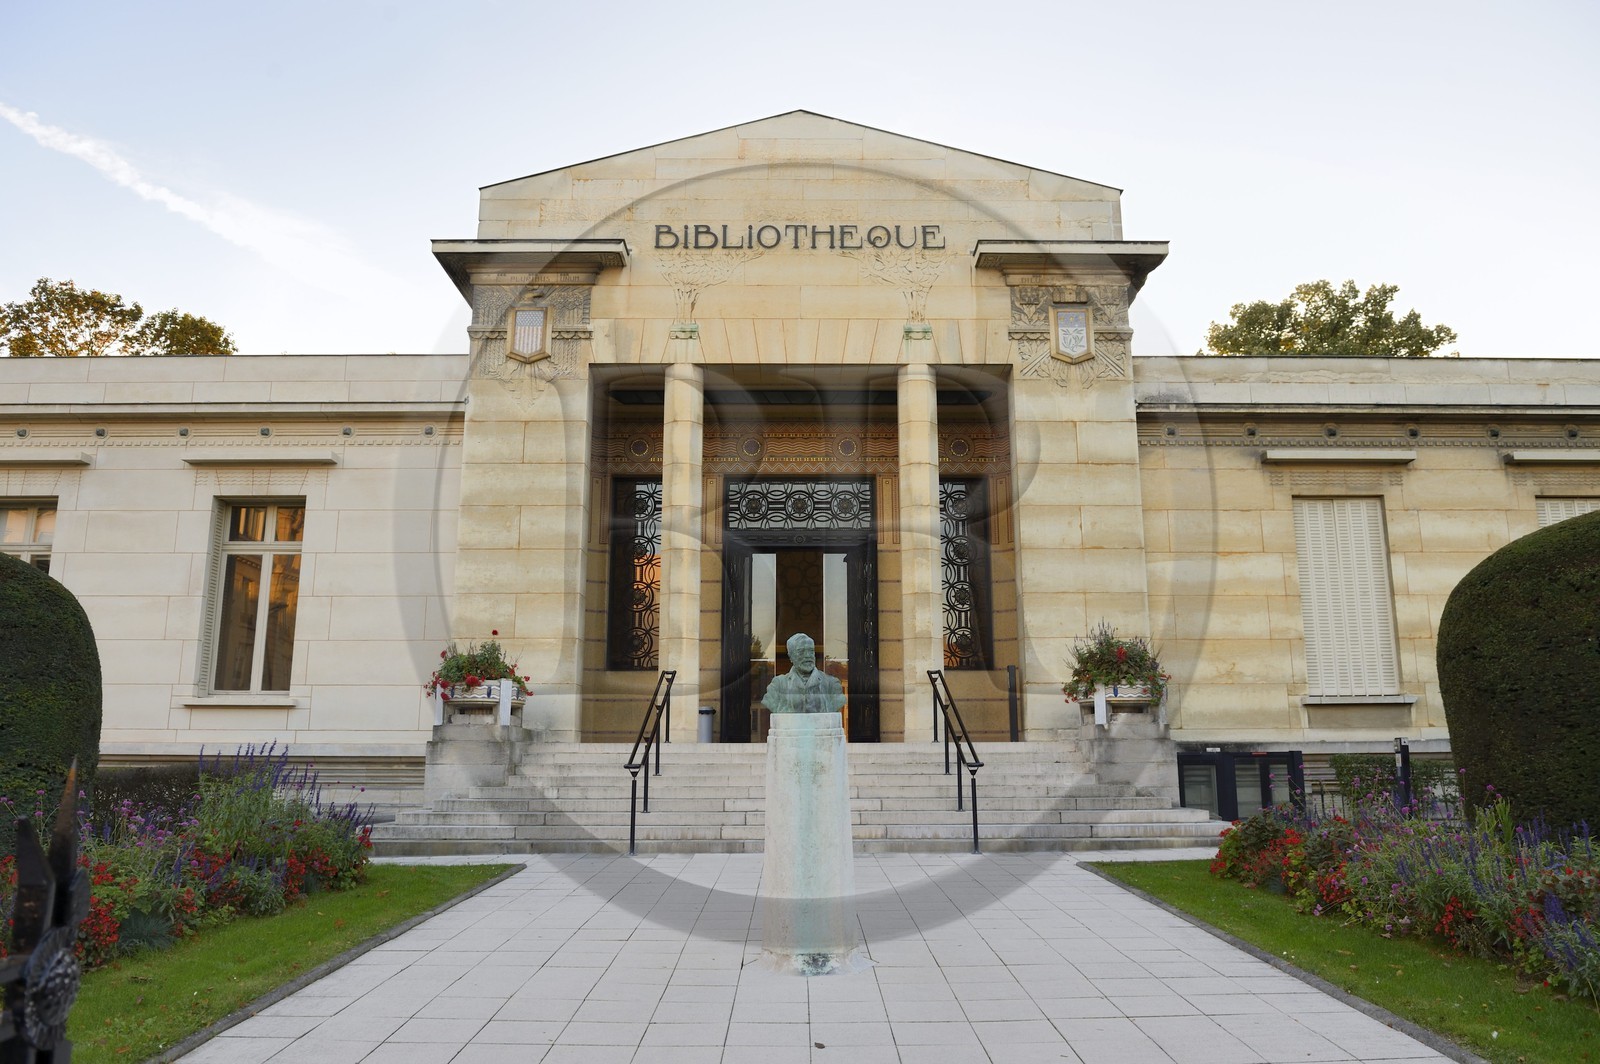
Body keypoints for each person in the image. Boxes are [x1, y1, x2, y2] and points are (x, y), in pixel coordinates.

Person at [762, 632, 845, 715]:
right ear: (790, 656)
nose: (807, 655)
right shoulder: (778, 685)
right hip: (790, 726)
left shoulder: (832, 684)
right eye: (801, 652)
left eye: (811, 651)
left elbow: (838, 702)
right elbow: (770, 702)